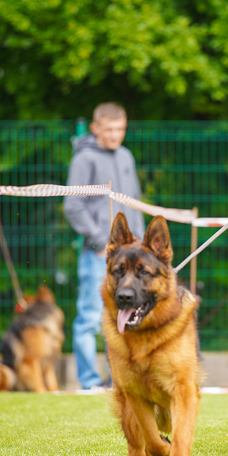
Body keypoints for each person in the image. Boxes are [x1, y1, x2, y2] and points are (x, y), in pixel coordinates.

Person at [64, 102, 145, 390]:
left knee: (125, 316)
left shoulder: (125, 155)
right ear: (95, 128)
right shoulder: (84, 159)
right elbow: (73, 205)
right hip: (99, 255)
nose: (115, 135)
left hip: (131, 258)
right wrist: (101, 241)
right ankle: (88, 382)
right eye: (109, 129)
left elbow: (133, 203)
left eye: (121, 129)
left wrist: (141, 247)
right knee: (89, 316)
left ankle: (119, 380)